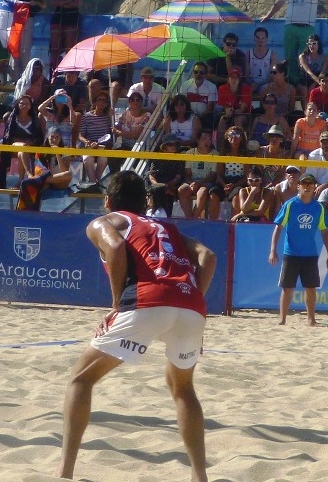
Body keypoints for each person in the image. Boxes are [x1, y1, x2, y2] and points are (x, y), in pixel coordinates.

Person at [56, 170, 215, 482]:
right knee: (183, 389)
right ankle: (199, 476)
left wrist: (116, 304)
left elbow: (114, 249)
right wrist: (191, 301)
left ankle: (64, 472)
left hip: (146, 300)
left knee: (80, 380)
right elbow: (207, 257)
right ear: (144, 202)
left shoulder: (106, 221)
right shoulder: (166, 225)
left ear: (107, 201)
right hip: (190, 304)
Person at [269, 173, 328, 327]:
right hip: (291, 253)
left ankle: (311, 320)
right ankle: (282, 319)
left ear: (314, 188)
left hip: (310, 254)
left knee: (311, 288)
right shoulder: (290, 205)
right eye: (304, 184)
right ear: (298, 186)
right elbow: (278, 228)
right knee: (287, 288)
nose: (307, 186)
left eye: (310, 184)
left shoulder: (318, 207)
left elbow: (324, 232)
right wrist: (273, 250)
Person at [0, 94, 44, 189]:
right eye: (22, 103)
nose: (24, 106)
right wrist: (21, 141)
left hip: (29, 146)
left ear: (30, 105)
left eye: (27, 104)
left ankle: (21, 181)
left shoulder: (34, 118)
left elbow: (39, 136)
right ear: (18, 104)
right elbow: (8, 136)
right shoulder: (11, 117)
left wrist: (31, 142)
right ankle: (28, 174)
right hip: (14, 143)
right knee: (23, 147)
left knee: (22, 151)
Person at [177, 129, 219, 218]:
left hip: (207, 182)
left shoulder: (215, 154)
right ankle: (189, 217)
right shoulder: (190, 153)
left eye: (209, 139)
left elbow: (212, 176)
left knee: (202, 192)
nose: (207, 141)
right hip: (192, 181)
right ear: (198, 140)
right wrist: (192, 183)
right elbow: (187, 173)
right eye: (204, 138)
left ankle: (193, 218)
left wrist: (199, 184)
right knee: (182, 190)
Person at [49, 0, 82, 69]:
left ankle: (68, 70)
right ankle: (54, 70)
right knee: (55, 48)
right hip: (58, 16)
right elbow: (53, 1)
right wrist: (67, 2)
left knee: (70, 47)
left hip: (72, 17)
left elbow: (77, 3)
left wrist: (62, 3)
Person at [76, 90, 114, 183]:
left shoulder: (108, 118)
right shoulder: (86, 116)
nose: (101, 102)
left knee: (103, 160)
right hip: (89, 146)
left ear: (106, 104)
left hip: (102, 147)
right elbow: (81, 135)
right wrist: (87, 142)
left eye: (104, 100)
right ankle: (94, 183)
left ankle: (95, 182)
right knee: (88, 159)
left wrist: (111, 118)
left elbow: (110, 135)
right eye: (99, 99)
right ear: (95, 101)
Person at [146, 134, 186, 216]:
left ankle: (167, 219)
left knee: (168, 194)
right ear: (164, 147)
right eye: (170, 144)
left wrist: (166, 186)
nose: (173, 146)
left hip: (171, 186)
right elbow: (152, 176)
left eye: (175, 144)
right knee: (153, 192)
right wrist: (159, 187)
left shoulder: (179, 158)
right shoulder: (157, 157)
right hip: (157, 187)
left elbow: (178, 177)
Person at [12, 0, 44, 65]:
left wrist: (35, 3)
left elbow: (43, 4)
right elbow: (11, 1)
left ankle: (25, 71)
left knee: (25, 48)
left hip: (28, 18)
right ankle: (15, 75)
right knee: (15, 46)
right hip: (16, 19)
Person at [296, 34, 328, 109]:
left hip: (319, 77)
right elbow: (308, 71)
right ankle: (306, 112)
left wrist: (315, 83)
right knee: (304, 90)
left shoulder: (325, 57)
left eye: (314, 43)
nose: (311, 46)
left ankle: (314, 110)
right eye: (309, 44)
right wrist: (317, 81)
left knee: (313, 89)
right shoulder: (303, 56)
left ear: (318, 44)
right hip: (305, 78)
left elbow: (323, 72)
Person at [215, 68, 253, 135]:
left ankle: (241, 142)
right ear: (228, 79)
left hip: (245, 115)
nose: (233, 80)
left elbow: (242, 109)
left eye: (236, 77)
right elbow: (224, 106)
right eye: (231, 77)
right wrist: (227, 110)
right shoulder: (222, 89)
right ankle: (219, 144)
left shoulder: (246, 89)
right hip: (229, 113)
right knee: (223, 119)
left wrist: (233, 112)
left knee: (237, 119)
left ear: (239, 79)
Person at [246, 26, 276, 92]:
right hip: (251, 84)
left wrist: (258, 84)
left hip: (266, 83)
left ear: (266, 39)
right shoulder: (248, 54)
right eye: (258, 37)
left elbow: (272, 76)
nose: (260, 40)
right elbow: (246, 75)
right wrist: (251, 84)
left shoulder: (272, 55)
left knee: (267, 89)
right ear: (254, 38)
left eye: (263, 38)